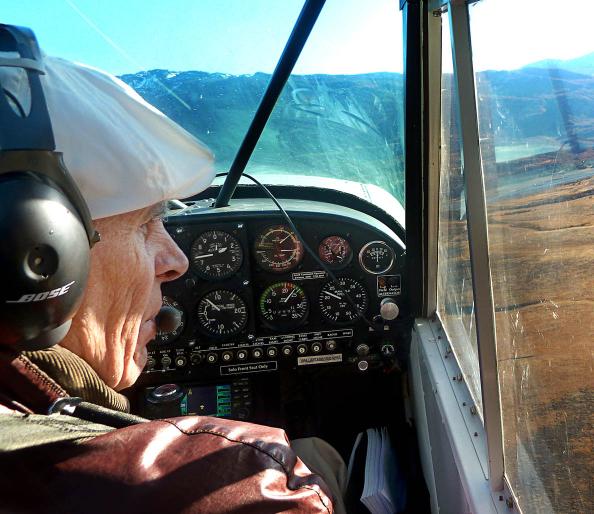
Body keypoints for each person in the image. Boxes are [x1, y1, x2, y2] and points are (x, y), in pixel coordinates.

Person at [0, 53, 346, 513]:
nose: (178, 262)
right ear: (36, 251)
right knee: (321, 453)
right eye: (146, 223)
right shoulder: (250, 484)